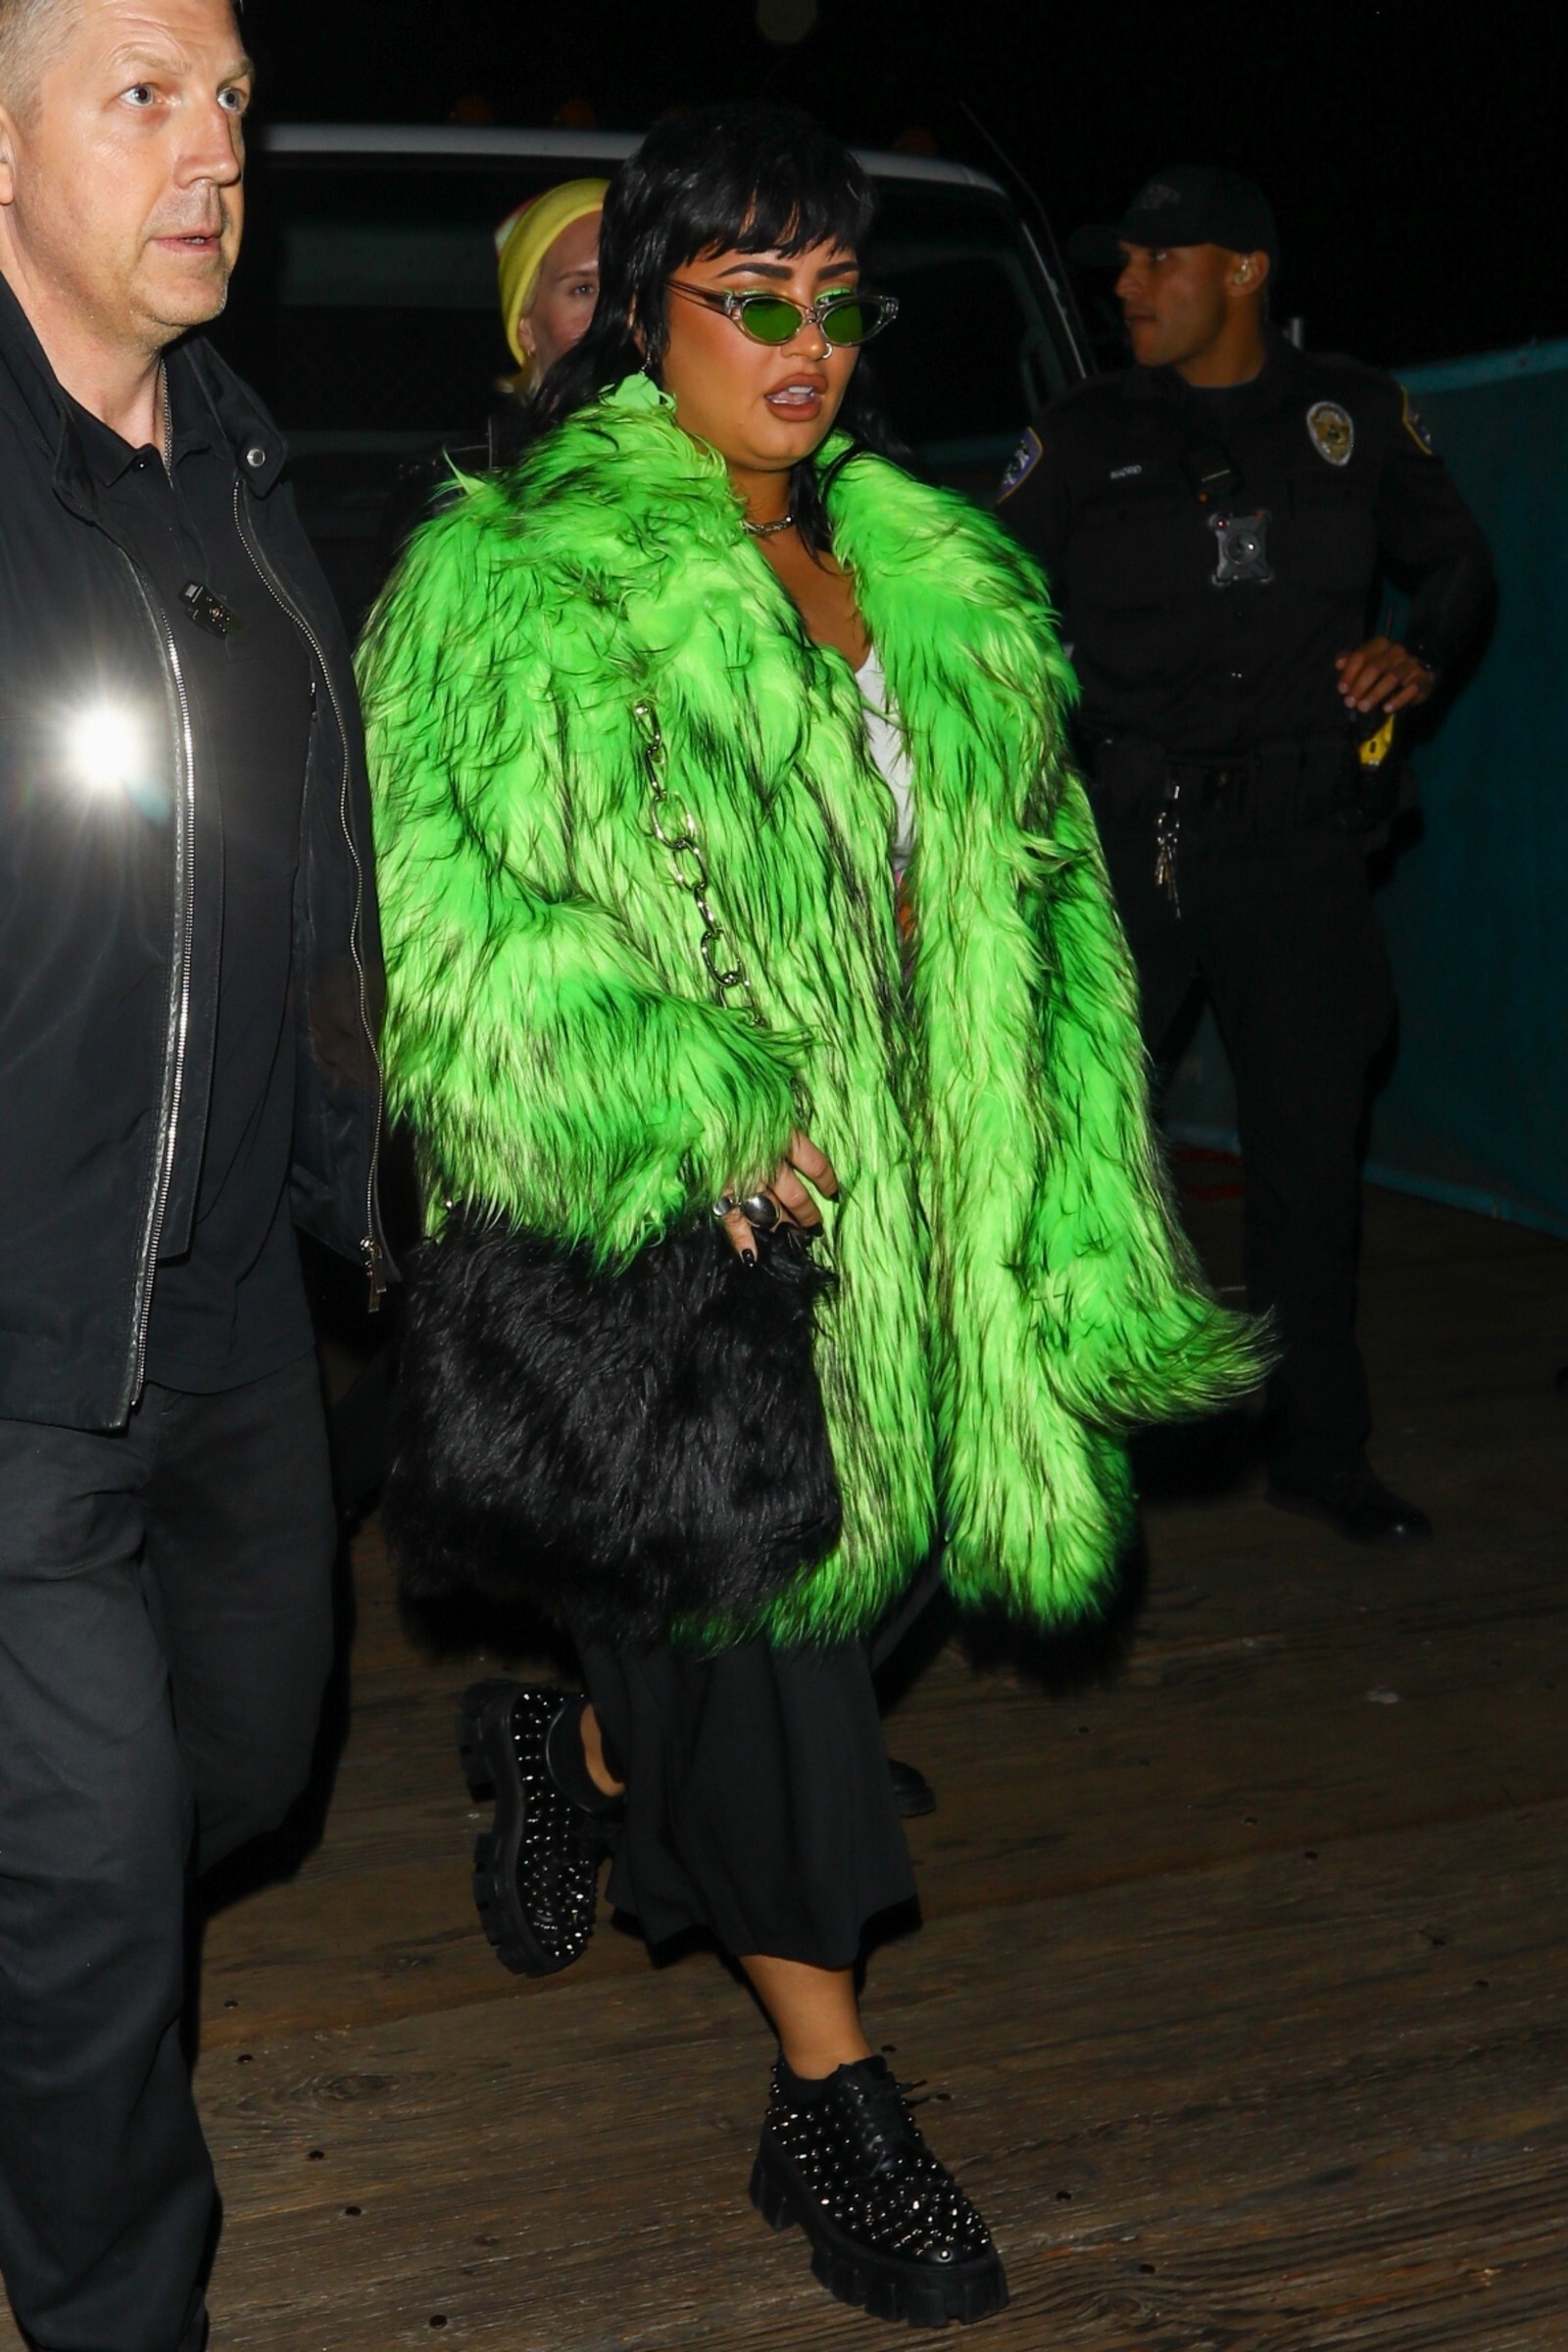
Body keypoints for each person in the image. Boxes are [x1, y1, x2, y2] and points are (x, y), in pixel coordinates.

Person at [364, 105, 1253, 2330]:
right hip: (704, 1243)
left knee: (872, 1604)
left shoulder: (938, 570)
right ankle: (834, 2096)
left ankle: (567, 1747)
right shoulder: (523, 575)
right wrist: (698, 1109)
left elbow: (1044, 897)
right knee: (773, 1672)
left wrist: (1073, 1177)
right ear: (643, 318)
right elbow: (456, 923)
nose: (807, 343)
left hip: (940, 1216)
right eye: (750, 299)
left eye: (839, 303)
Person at [0, 2, 387, 2346]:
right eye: (143, 94)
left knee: (242, 1764)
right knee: (94, 1896)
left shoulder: (242, 455)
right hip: (21, 1346)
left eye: (231, 97)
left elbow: (312, 871)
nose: (214, 147)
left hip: (242, 1308)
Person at [999, 166, 1494, 1545]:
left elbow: (1460, 564)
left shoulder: (1352, 415)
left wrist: (1420, 653)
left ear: (1244, 272)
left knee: (1306, 1155)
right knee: (1081, 1141)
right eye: (1123, 261)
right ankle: (1060, 1437)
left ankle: (1317, 1447)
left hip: (1296, 841)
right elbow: (986, 597)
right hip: (1133, 838)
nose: (1127, 284)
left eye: (1159, 259)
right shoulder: (1082, 433)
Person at [370, 176, 608, 582]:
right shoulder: (450, 488)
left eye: (632, 284)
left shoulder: (704, 465)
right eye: (583, 289)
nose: (613, 312)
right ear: (526, 328)